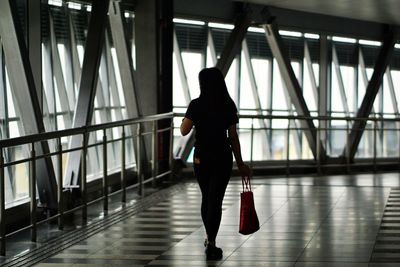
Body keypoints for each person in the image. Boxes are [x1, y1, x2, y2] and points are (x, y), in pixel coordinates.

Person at [180, 67, 251, 260]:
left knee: (207, 197)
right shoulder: (228, 104)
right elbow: (233, 136)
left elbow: (184, 131)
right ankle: (211, 240)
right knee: (216, 199)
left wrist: (185, 119)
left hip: (201, 157)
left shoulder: (196, 104)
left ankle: (209, 239)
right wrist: (241, 163)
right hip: (223, 156)